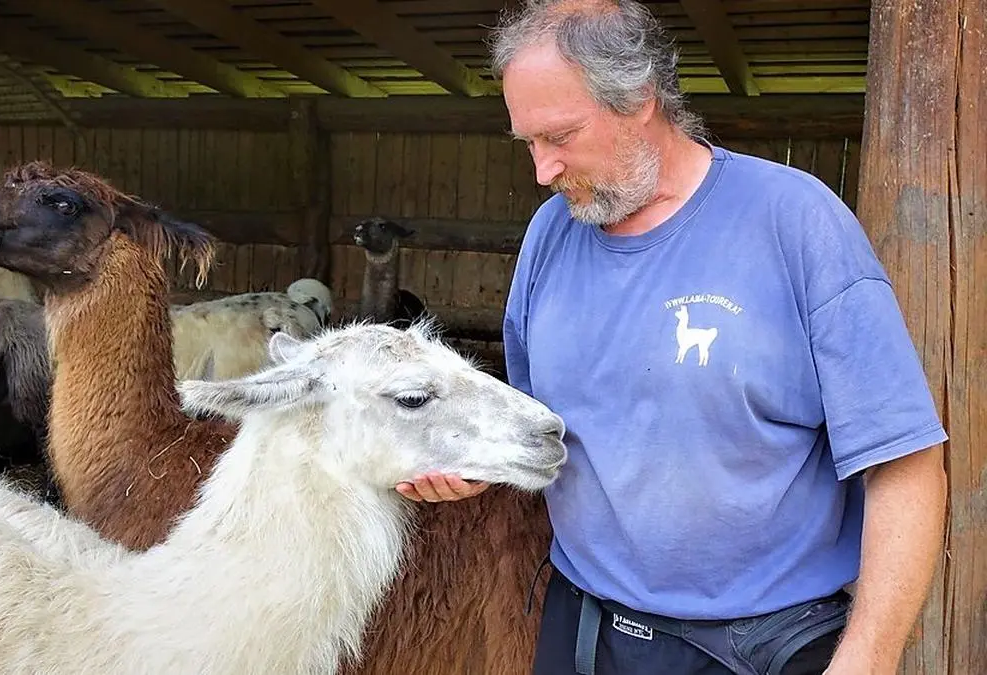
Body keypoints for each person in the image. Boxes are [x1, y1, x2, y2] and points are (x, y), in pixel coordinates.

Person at [393, 1, 949, 673]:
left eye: (560, 135)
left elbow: (905, 463)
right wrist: (474, 468)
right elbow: (541, 429)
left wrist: (868, 658)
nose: (542, 170)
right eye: (528, 142)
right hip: (586, 626)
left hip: (764, 642)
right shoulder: (549, 235)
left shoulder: (794, 222)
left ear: (639, 99)